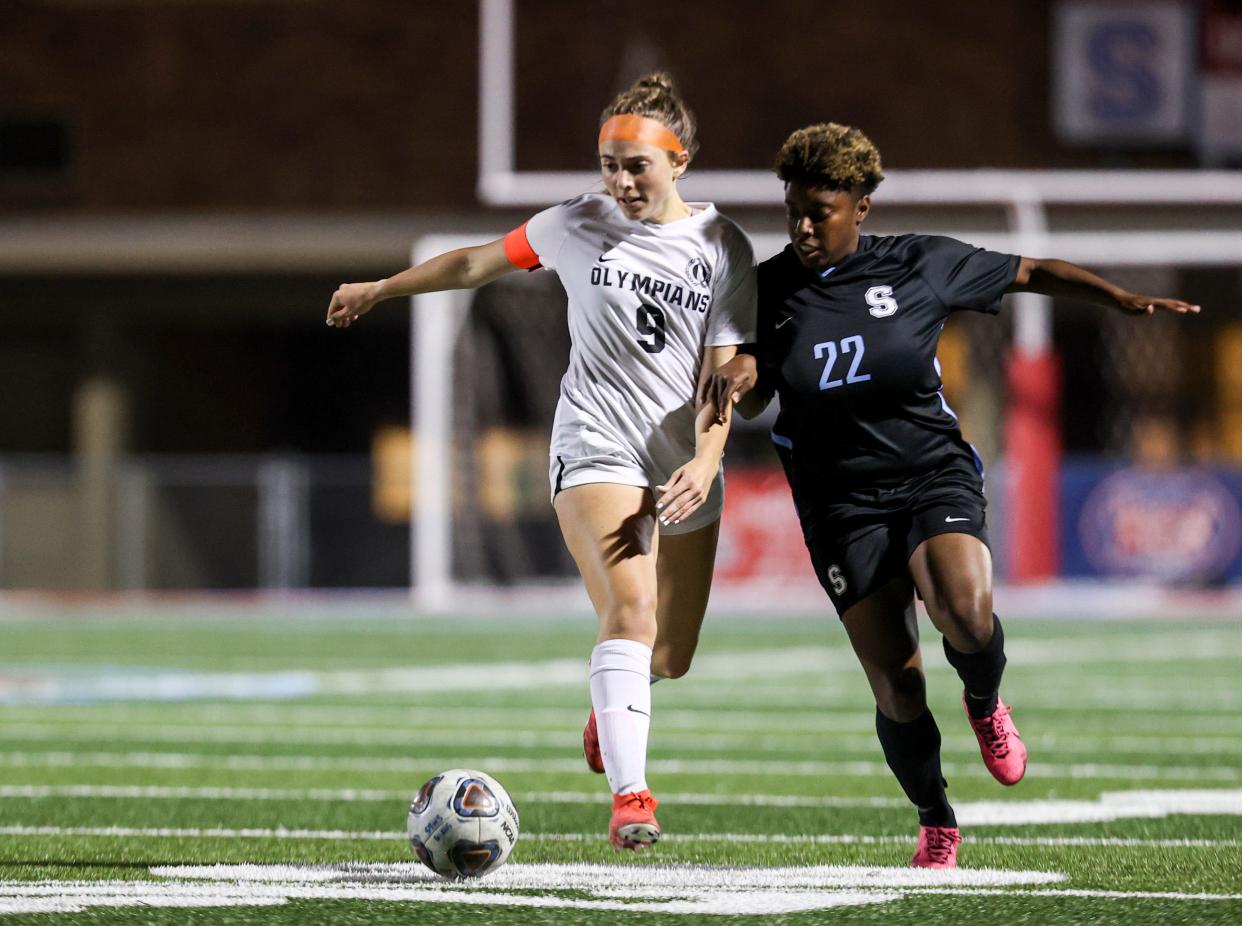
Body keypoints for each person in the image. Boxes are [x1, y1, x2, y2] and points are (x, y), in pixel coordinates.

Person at [706, 122, 1199, 869]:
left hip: (932, 470)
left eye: (821, 211)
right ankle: (936, 816)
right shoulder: (767, 290)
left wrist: (1115, 298)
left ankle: (984, 701)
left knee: (966, 614)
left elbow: (1031, 271)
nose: (803, 227)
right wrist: (741, 376)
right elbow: (751, 393)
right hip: (839, 500)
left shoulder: (920, 264)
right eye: (793, 210)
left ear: (862, 207)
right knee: (898, 684)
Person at [326, 74, 756, 850]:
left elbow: (725, 372)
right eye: (609, 164)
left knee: (671, 654)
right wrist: (381, 288)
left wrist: (707, 457)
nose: (621, 181)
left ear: (680, 160)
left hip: (685, 461)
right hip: (595, 445)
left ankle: (611, 703)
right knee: (629, 610)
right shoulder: (575, 223)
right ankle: (633, 799)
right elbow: (471, 266)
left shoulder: (723, 246)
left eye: (638, 166)